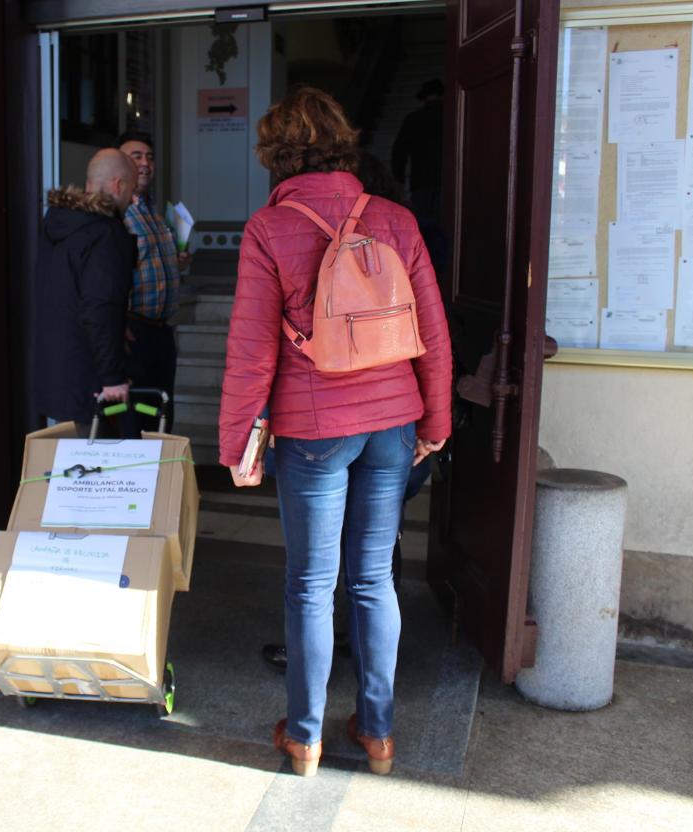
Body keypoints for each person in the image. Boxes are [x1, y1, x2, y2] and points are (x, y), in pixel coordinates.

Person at [219, 86, 452, 777]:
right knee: (374, 579)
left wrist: (237, 444)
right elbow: (433, 332)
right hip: (393, 422)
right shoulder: (396, 220)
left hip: (315, 429)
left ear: (275, 154)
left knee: (311, 585)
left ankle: (305, 736)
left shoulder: (269, 228)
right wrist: (436, 421)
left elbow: (252, 350)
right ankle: (378, 734)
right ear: (342, 141)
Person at [34, 149, 139, 430]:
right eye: (132, 189)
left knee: (66, 452)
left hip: (57, 373)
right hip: (90, 378)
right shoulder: (106, 233)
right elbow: (99, 307)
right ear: (118, 185)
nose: (133, 199)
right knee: (95, 455)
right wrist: (113, 377)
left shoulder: (58, 223)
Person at [116, 131, 190, 426]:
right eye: (136, 156)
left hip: (162, 332)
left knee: (162, 414)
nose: (145, 163)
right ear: (119, 164)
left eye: (149, 156)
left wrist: (177, 262)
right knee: (136, 416)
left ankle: (161, 458)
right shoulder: (117, 212)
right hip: (132, 332)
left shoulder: (155, 212)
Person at [391, 79, 444, 222]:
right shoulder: (452, 117)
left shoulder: (413, 118)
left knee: (421, 222)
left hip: (420, 179)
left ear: (424, 97)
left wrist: (399, 178)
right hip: (447, 179)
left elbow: (399, 151)